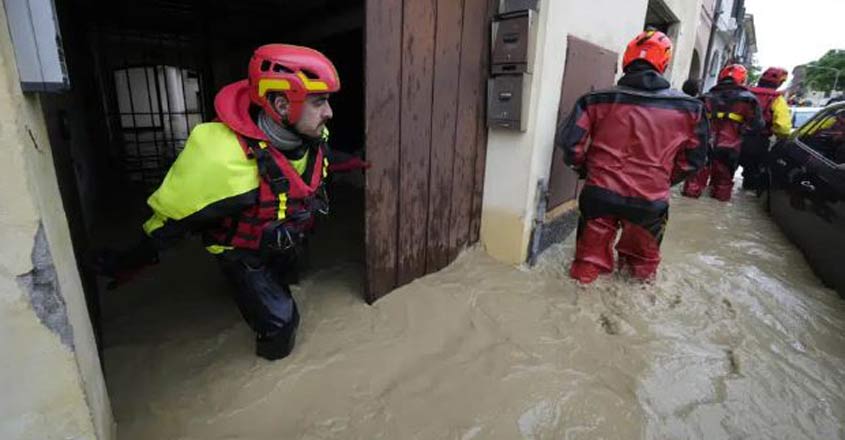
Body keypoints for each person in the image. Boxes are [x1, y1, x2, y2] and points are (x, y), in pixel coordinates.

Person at [97, 44, 367, 361]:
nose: (329, 112)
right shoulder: (221, 160)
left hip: (285, 238)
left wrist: (362, 163)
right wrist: (129, 262)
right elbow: (169, 225)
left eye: (328, 101)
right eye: (319, 102)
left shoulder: (310, 135)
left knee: (294, 277)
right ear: (281, 104)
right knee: (282, 327)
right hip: (245, 254)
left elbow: (323, 160)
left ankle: (260, 289)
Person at [555, 29, 708, 284]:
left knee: (586, 269)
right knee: (640, 272)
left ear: (627, 59)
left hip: (600, 194)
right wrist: (661, 180)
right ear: (664, 63)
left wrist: (586, 170)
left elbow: (572, 146)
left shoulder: (595, 100)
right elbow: (694, 161)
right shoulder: (691, 109)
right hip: (650, 202)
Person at [682, 64, 763, 201]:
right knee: (723, 186)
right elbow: (757, 125)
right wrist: (741, 132)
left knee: (693, 185)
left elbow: (692, 121)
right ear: (742, 79)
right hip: (730, 147)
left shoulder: (706, 97)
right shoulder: (749, 100)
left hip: (704, 145)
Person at [741, 67, 791, 191]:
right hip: (759, 142)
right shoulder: (777, 100)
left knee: (723, 176)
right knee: (751, 179)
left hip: (735, 137)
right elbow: (783, 128)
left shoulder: (745, 93)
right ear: (779, 83)